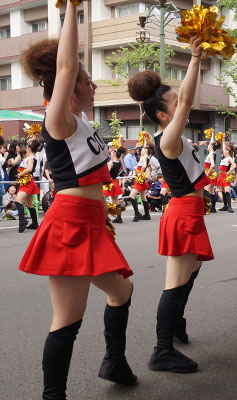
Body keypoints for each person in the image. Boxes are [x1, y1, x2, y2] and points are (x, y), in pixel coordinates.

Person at [19, 3, 136, 397]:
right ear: (67, 89)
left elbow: (70, 68)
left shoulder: (83, 121)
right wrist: (72, 7)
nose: (93, 85)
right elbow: (67, 67)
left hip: (91, 222)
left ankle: (114, 362)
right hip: (70, 223)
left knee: (122, 292)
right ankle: (54, 395)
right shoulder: (58, 119)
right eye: (87, 81)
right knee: (67, 319)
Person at [128, 36, 213, 372]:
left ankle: (175, 326)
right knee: (176, 282)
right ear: (163, 115)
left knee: (190, 272)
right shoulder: (170, 137)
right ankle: (162, 350)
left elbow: (187, 101)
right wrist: (194, 59)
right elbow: (190, 99)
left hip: (187, 211)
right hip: (182, 213)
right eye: (175, 104)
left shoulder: (170, 137)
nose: (183, 105)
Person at [15, 141, 41, 233]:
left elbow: (29, 169)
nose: (26, 149)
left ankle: (22, 222)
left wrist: (19, 175)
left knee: (18, 200)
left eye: (27, 148)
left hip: (27, 182)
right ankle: (34, 223)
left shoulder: (30, 158)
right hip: (27, 181)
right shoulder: (31, 157)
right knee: (29, 204)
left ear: (29, 149)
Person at [128, 145, 151, 221]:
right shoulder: (145, 157)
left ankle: (137, 214)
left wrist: (139, 173)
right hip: (142, 179)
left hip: (140, 179)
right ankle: (147, 215)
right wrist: (145, 138)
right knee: (143, 197)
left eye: (142, 150)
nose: (140, 151)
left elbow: (144, 166)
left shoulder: (144, 157)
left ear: (145, 151)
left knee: (131, 196)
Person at [103, 146, 125, 223]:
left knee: (101, 198)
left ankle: (103, 216)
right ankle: (119, 217)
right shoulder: (119, 162)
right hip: (114, 181)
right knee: (115, 200)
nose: (110, 153)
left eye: (112, 152)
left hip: (109, 182)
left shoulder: (110, 163)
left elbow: (106, 173)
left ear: (114, 154)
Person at [216, 142, 236, 213]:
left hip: (225, 175)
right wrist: (223, 140)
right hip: (221, 175)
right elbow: (224, 147)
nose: (223, 151)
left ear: (227, 151)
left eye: (225, 150)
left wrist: (229, 171)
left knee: (227, 191)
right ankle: (225, 206)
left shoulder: (230, 158)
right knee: (223, 191)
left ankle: (229, 207)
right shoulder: (224, 157)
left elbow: (234, 165)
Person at [203, 142, 219, 212]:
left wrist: (207, 174)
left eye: (209, 145)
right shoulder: (213, 153)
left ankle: (207, 208)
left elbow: (212, 165)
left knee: (206, 190)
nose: (208, 145)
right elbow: (211, 142)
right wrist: (212, 134)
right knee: (211, 191)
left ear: (211, 146)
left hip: (209, 173)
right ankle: (213, 208)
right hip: (212, 173)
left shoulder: (211, 154)